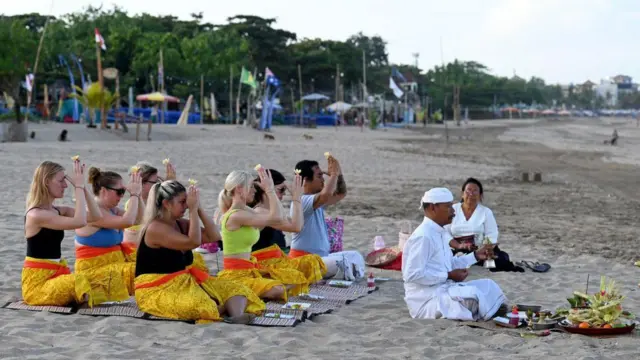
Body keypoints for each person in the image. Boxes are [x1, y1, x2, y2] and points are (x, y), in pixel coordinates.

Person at [134, 180, 263, 324]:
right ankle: (223, 309)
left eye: (187, 202)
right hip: (156, 288)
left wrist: (199, 208)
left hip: (183, 282)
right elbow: (193, 242)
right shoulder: (155, 228)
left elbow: (214, 236)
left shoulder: (179, 223)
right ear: (166, 204)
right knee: (201, 305)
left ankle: (236, 316)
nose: (187, 206)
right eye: (182, 202)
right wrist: (193, 211)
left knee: (237, 289)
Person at [402, 187, 507, 320]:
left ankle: (490, 312)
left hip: (445, 289)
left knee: (489, 285)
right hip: (427, 300)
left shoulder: (440, 233)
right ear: (433, 208)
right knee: (473, 296)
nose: (453, 211)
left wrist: (475, 256)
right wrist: (448, 275)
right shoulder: (423, 236)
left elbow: (449, 263)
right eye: (449, 207)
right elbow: (412, 275)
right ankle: (490, 313)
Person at [216, 168, 307, 301]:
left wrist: (295, 199)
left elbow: (285, 221)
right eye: (251, 186)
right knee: (279, 289)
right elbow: (277, 219)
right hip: (235, 274)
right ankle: (238, 294)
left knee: (296, 278)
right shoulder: (236, 215)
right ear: (240, 189)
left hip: (250, 270)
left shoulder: (246, 211)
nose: (254, 190)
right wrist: (270, 190)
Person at [22, 159, 104, 306]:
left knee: (101, 280)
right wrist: (77, 188)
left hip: (57, 275)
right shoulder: (36, 215)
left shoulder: (58, 210)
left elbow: (96, 216)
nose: (65, 185)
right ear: (47, 181)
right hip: (38, 286)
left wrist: (83, 188)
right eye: (61, 181)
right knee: (79, 282)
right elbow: (80, 222)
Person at [290, 155, 365, 280]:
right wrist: (333, 175)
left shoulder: (316, 201)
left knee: (355, 256)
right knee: (344, 263)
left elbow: (341, 193)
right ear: (306, 180)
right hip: (304, 261)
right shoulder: (301, 201)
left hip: (321, 259)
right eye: (319, 176)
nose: (323, 180)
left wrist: (339, 175)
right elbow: (326, 195)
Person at [74, 167, 142, 303]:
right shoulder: (93, 213)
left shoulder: (112, 210)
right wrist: (133, 195)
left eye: (124, 192)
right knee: (143, 269)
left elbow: (140, 219)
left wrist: (138, 196)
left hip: (115, 266)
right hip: (95, 271)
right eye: (120, 192)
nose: (122, 196)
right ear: (104, 191)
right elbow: (127, 221)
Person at [249, 169, 327, 284]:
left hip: (276, 261)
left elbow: (298, 224)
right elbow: (296, 227)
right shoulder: (260, 211)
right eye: (281, 190)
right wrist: (296, 198)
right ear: (266, 189)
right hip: (263, 265)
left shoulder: (270, 211)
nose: (284, 194)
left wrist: (297, 198)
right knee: (303, 272)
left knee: (313, 261)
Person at [447, 178, 523, 272]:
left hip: (480, 248)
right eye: (468, 190)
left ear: (480, 195)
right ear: (462, 193)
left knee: (501, 260)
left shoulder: (486, 212)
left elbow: (491, 233)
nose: (471, 194)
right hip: (457, 248)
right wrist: (459, 246)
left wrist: (485, 248)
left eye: (475, 191)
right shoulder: (453, 209)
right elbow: (445, 232)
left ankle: (476, 259)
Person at [122, 160, 176, 246]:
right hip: (135, 249)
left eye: (159, 182)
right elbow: (146, 220)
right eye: (155, 182)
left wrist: (170, 185)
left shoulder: (154, 199)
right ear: (142, 183)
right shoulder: (133, 202)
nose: (159, 185)